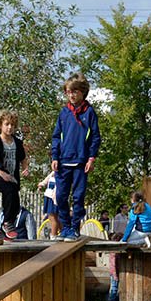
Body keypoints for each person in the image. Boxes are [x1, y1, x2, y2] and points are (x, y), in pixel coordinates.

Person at [50, 72, 100, 242]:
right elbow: (56, 136)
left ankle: (74, 227)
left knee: (78, 197)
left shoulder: (90, 112)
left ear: (82, 92)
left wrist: (91, 158)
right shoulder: (64, 113)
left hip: (80, 162)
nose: (72, 95)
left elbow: (95, 137)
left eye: (75, 91)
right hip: (63, 161)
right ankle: (65, 228)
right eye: (69, 92)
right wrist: (55, 157)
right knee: (61, 196)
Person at [0, 110, 29, 239]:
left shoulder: (17, 142)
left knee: (15, 203)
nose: (10, 127)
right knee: (9, 191)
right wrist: (0, 172)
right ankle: (7, 223)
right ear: (0, 125)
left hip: (12, 176)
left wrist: (25, 169)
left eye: (12, 125)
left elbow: (23, 159)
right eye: (7, 124)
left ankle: (3, 230)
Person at [38, 170, 59, 238]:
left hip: (54, 199)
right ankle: (61, 232)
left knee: (53, 217)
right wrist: (41, 184)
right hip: (48, 196)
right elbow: (46, 180)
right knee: (52, 217)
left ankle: (53, 235)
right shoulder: (53, 172)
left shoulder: (62, 175)